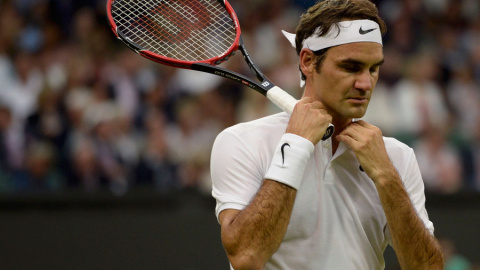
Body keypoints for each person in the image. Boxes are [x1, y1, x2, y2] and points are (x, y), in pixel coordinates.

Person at [210, 0, 444, 269]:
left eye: (373, 68)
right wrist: (296, 146)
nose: (365, 83)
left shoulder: (396, 157)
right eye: (351, 67)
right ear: (308, 61)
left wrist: (387, 178)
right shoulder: (241, 141)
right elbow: (246, 257)